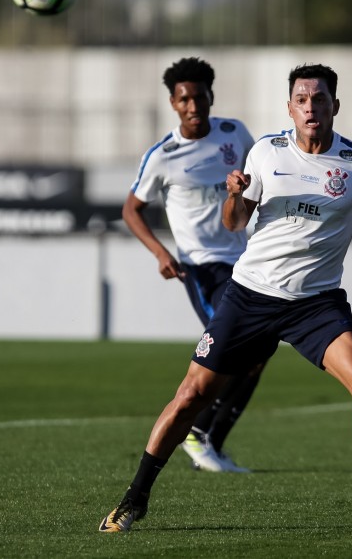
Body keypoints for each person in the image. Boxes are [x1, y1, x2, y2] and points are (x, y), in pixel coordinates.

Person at [99, 63, 352, 534]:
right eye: (302, 99)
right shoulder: (265, 153)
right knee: (191, 394)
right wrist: (234, 195)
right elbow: (235, 222)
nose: (311, 108)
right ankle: (134, 499)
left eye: (320, 99)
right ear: (289, 108)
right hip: (250, 296)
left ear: (335, 106)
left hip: (317, 305)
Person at [121, 56, 264, 474]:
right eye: (185, 98)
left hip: (247, 262)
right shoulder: (162, 155)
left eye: (200, 97)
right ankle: (197, 434)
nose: (193, 105)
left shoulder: (234, 133)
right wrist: (161, 253)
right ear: (173, 103)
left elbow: (260, 176)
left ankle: (209, 442)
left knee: (257, 353)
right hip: (202, 267)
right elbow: (131, 209)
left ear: (210, 97)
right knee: (233, 347)